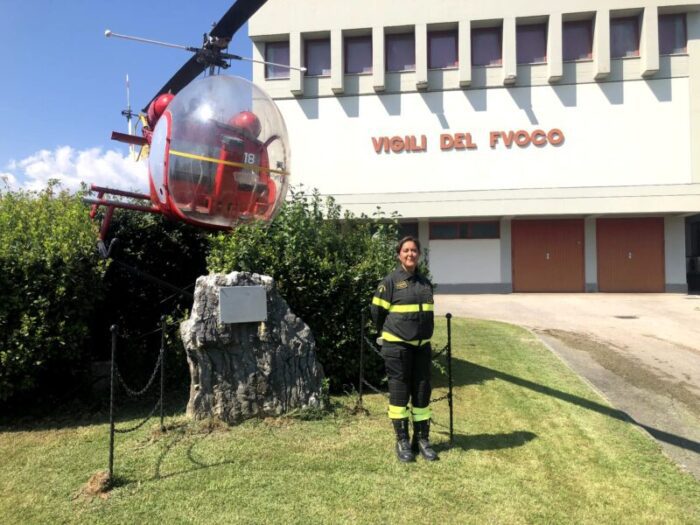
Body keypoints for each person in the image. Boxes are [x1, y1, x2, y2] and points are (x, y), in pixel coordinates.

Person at [371, 236, 438, 462]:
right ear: (399, 255)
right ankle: (402, 442)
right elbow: (377, 314)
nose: (410, 254)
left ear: (419, 254)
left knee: (422, 393)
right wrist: (389, 334)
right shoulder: (389, 282)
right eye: (406, 250)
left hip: (422, 348)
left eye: (414, 250)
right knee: (399, 394)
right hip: (397, 348)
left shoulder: (425, 283)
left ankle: (421, 440)